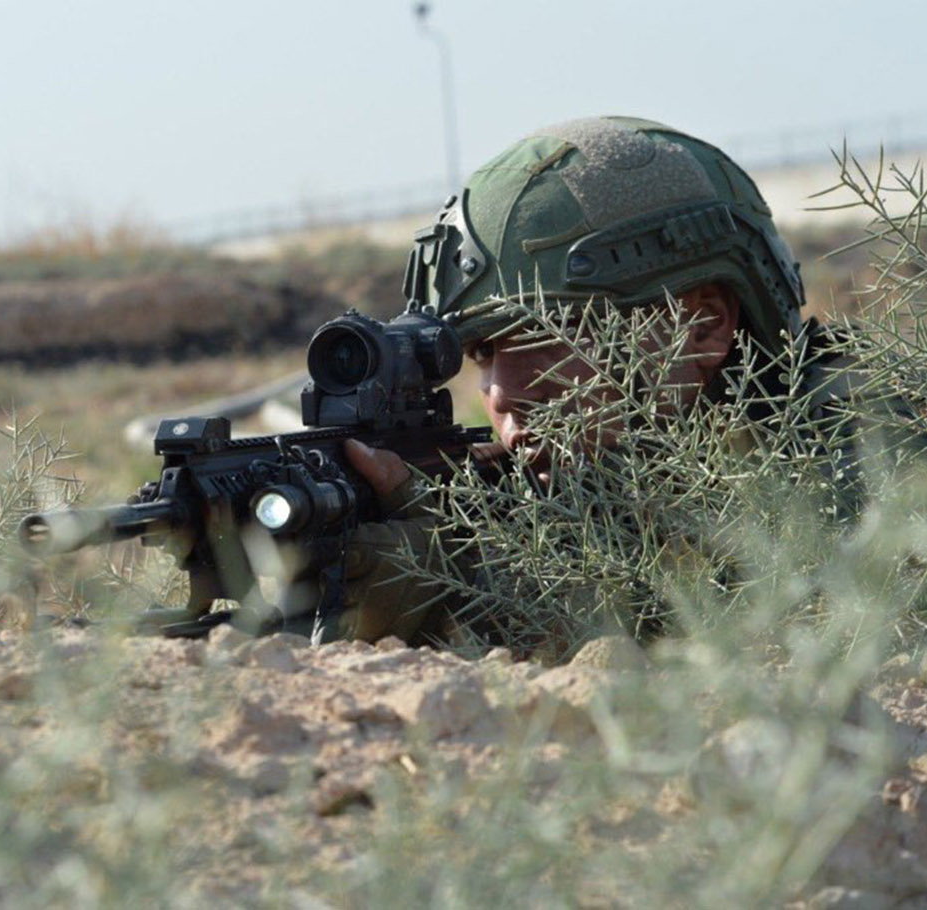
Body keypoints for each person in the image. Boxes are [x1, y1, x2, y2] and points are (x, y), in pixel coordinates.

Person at [334, 115, 859, 645]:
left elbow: (761, 623)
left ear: (702, 325)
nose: (500, 392)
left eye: (547, 331)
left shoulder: (868, 431)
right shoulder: (531, 498)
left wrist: (475, 596)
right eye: (482, 352)